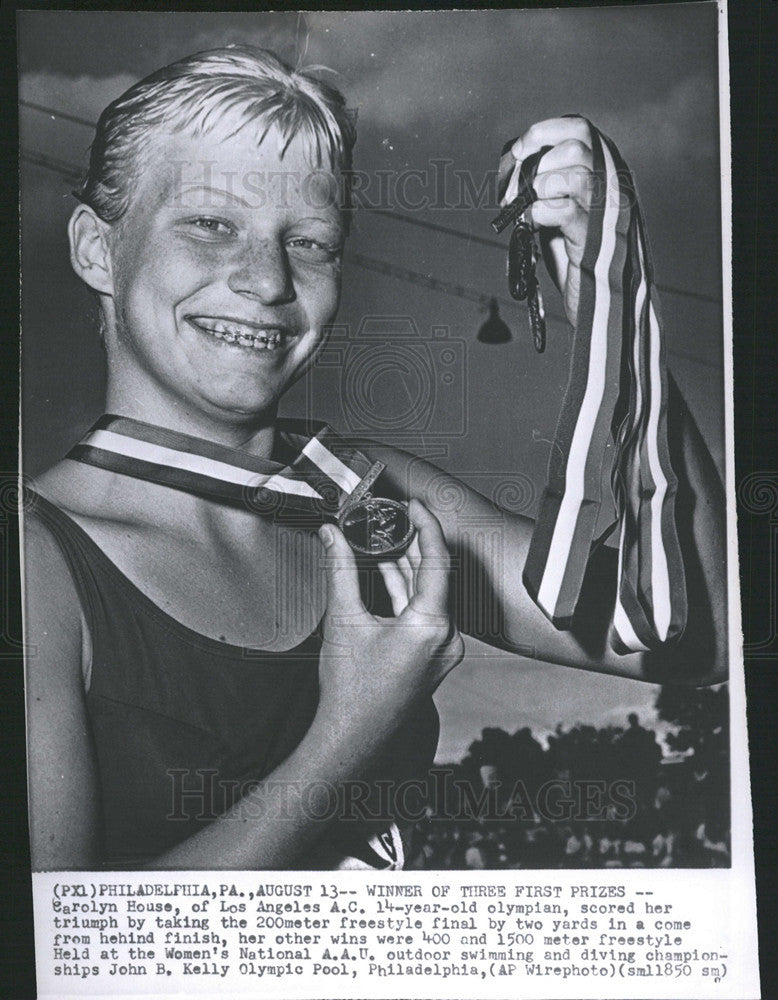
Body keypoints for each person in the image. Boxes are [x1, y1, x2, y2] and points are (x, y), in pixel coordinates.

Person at [23, 46, 727, 871]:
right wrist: (347, 735)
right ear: (96, 250)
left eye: (312, 243)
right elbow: (66, 960)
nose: (267, 280)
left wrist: (618, 318)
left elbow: (700, 640)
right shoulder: (35, 561)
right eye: (211, 225)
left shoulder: (373, 502)